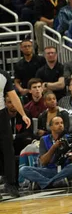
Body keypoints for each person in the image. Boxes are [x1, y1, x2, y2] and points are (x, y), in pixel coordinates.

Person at [19, 116, 72, 190]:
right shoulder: (44, 139)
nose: (60, 125)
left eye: (62, 123)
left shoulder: (70, 139)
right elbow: (43, 161)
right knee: (23, 169)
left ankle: (45, 183)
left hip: (64, 170)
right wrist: (53, 147)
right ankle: (55, 182)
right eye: (57, 123)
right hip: (49, 170)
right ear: (51, 127)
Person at [0, 69, 30, 198]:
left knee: (8, 150)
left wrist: (23, 114)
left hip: (1, 114)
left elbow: (13, 96)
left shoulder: (3, 75)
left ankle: (11, 184)